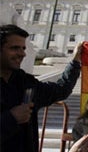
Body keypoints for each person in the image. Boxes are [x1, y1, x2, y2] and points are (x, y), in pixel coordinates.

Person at [0, 24, 83, 152]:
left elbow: (61, 89)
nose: (22, 54)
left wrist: (76, 61)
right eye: (15, 48)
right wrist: (11, 118)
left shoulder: (26, 83)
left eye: (23, 48)